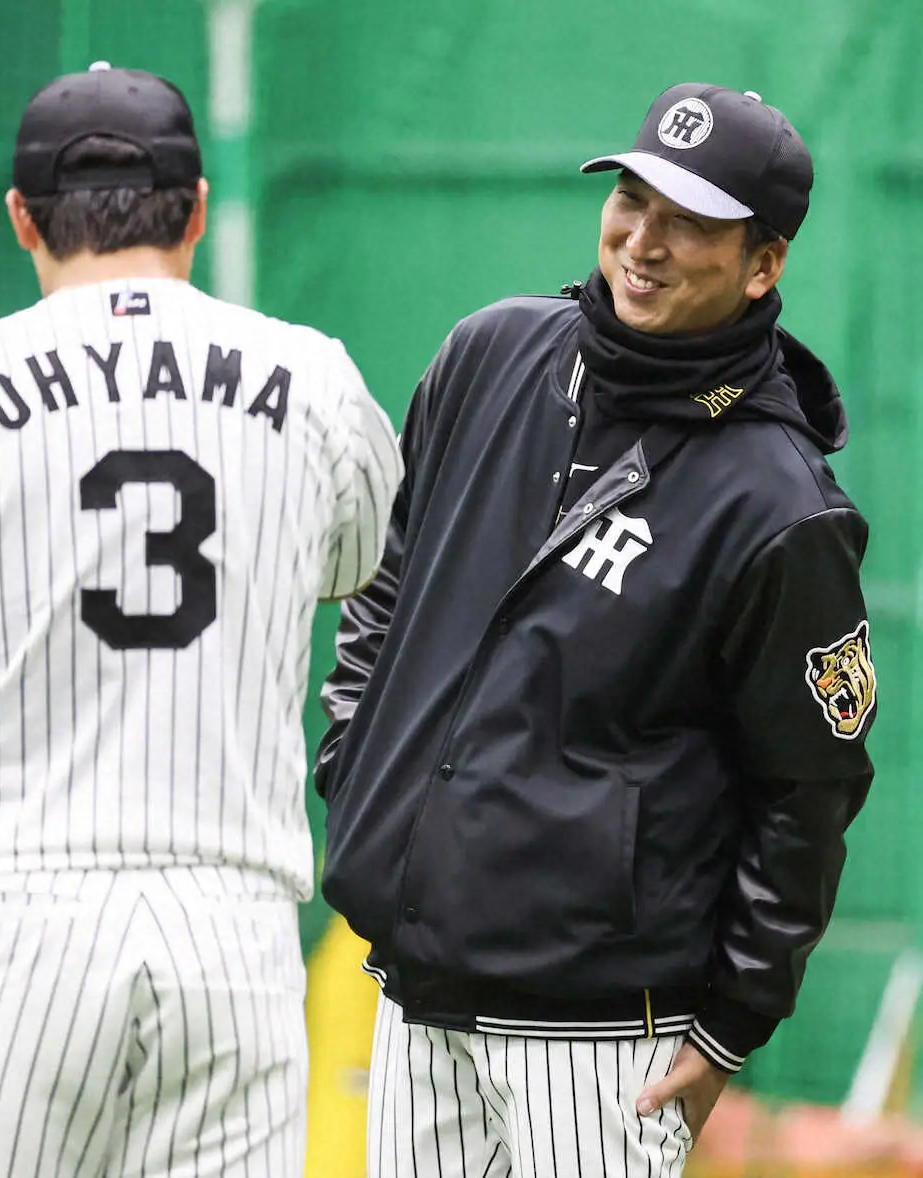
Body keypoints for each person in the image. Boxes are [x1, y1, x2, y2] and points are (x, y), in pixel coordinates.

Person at [0, 63, 401, 1178]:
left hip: (5, 925)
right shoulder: (315, 381)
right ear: (197, 206)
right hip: (232, 931)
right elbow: (363, 574)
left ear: (22, 217)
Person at [315, 82, 876, 1177]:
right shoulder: (493, 353)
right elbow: (388, 579)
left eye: (692, 221)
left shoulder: (777, 502)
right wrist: (358, 760)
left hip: (602, 1022)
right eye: (633, 196)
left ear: (763, 263)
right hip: (416, 979)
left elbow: (809, 788)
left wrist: (729, 1023)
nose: (644, 240)